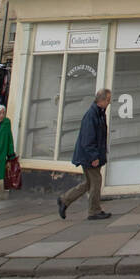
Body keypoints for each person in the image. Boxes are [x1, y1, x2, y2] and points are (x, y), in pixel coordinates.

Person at [58, 89, 111, 221]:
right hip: (89, 156)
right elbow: (88, 139)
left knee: (89, 183)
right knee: (96, 182)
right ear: (102, 100)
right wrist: (94, 157)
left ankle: (65, 200)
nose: (109, 102)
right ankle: (94, 211)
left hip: (90, 154)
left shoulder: (99, 113)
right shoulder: (92, 115)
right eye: (108, 100)